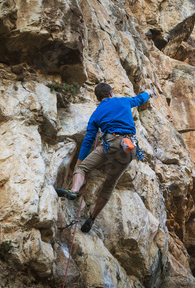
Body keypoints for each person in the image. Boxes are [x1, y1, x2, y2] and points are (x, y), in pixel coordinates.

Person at [55, 83, 154, 233]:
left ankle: (74, 191)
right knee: (110, 183)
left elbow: (89, 141)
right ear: (110, 93)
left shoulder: (96, 113)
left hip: (110, 145)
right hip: (128, 148)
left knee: (82, 169)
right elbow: (140, 99)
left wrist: (78, 164)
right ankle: (92, 218)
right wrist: (148, 92)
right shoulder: (123, 101)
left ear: (98, 98)